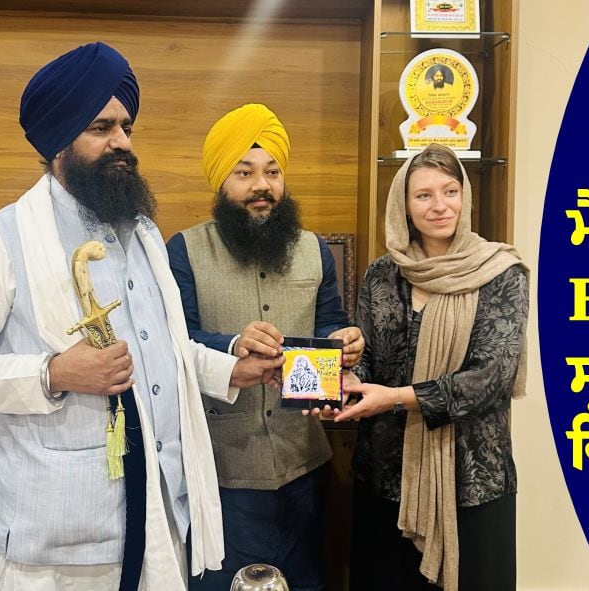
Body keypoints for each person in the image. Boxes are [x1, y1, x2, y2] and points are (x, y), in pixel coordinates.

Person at [0, 42, 283, 590]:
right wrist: (53, 373)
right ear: (59, 140)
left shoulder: (142, 234)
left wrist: (229, 368)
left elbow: (162, 352)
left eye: (126, 126)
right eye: (102, 128)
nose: (123, 143)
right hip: (62, 537)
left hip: (159, 507)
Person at [166, 103, 364, 591]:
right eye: (245, 172)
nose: (263, 186)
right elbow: (172, 341)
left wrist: (346, 342)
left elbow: (330, 322)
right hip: (223, 472)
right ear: (221, 182)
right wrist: (231, 344)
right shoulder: (185, 251)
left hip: (306, 465)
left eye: (273, 172)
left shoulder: (313, 248)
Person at [319, 143, 528, 590]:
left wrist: (394, 398)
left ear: (464, 195)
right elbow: (373, 361)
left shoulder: (501, 272)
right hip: (386, 480)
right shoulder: (382, 273)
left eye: (449, 191)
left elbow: (492, 378)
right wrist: (349, 375)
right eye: (423, 195)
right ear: (404, 204)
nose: (439, 206)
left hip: (471, 482)